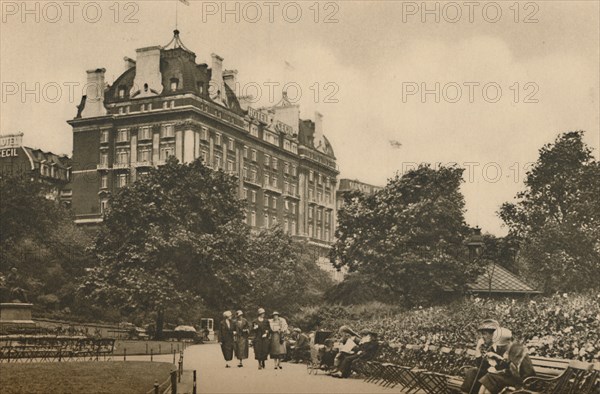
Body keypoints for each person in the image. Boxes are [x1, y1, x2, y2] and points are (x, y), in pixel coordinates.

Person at [477, 328, 535, 394]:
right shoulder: (509, 349)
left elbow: (519, 372)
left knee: (491, 378)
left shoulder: (518, 350)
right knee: (489, 379)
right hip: (511, 378)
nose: (500, 347)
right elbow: (506, 367)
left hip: (522, 381)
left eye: (502, 346)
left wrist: (499, 358)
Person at [462, 319, 501, 394]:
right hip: (489, 375)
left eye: (484, 334)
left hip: (497, 377)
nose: (482, 337)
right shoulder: (489, 347)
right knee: (472, 371)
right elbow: (481, 366)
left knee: (475, 373)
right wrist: (478, 348)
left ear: (494, 334)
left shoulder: (501, 346)